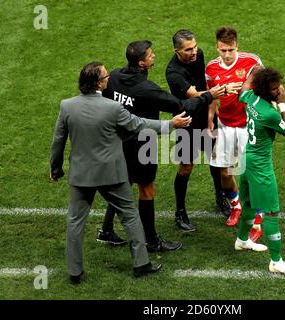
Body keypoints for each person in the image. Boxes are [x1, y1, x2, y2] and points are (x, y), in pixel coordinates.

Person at [50, 61, 192, 284]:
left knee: (75, 223)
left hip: (81, 175)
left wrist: (55, 168)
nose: (109, 79)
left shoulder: (67, 106)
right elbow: (139, 125)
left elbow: (58, 140)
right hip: (111, 174)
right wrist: (171, 124)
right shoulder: (112, 108)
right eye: (106, 77)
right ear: (98, 83)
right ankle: (141, 264)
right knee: (130, 217)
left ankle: (75, 272)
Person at [98, 41, 225, 249]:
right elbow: (181, 105)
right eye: (150, 55)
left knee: (125, 183)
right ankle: (152, 241)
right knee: (147, 189)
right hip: (141, 144)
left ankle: (106, 229)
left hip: (118, 142)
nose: (154, 56)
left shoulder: (114, 78)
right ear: (141, 63)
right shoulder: (147, 89)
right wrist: (210, 95)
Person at [236, 66, 285, 276]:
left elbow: (243, 89)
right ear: (266, 90)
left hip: (246, 158)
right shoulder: (269, 113)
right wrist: (282, 104)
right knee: (271, 212)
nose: (279, 89)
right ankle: (276, 261)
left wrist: (254, 72)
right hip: (260, 165)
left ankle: (242, 240)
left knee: (247, 203)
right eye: (274, 89)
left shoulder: (250, 98)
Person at [165, 29, 231, 232]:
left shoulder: (199, 54)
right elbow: (194, 94)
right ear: (177, 51)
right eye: (188, 49)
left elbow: (204, 83)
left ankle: (220, 197)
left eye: (194, 47)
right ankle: (180, 211)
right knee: (186, 167)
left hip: (207, 115)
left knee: (216, 159)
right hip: (188, 122)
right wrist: (218, 92)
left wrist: (212, 112)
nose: (194, 52)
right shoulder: (173, 73)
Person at [205, 26, 264, 233]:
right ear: (217, 47)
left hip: (249, 126)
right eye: (223, 50)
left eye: (231, 50)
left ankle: (257, 217)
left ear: (237, 45)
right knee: (224, 172)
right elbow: (211, 97)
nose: (227, 55)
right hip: (226, 125)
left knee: (252, 173)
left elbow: (263, 89)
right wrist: (210, 118)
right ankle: (236, 206)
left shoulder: (252, 62)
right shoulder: (211, 68)